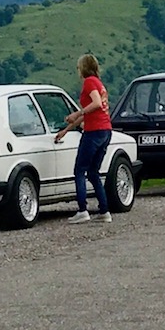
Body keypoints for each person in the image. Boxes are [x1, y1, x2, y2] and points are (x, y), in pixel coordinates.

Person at [56, 55, 114, 223]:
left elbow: (95, 104)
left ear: (83, 68)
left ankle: (83, 210)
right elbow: (92, 111)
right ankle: (104, 211)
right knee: (93, 172)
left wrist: (77, 112)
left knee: (79, 170)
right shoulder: (99, 83)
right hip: (105, 130)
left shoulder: (89, 82)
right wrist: (66, 130)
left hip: (94, 131)